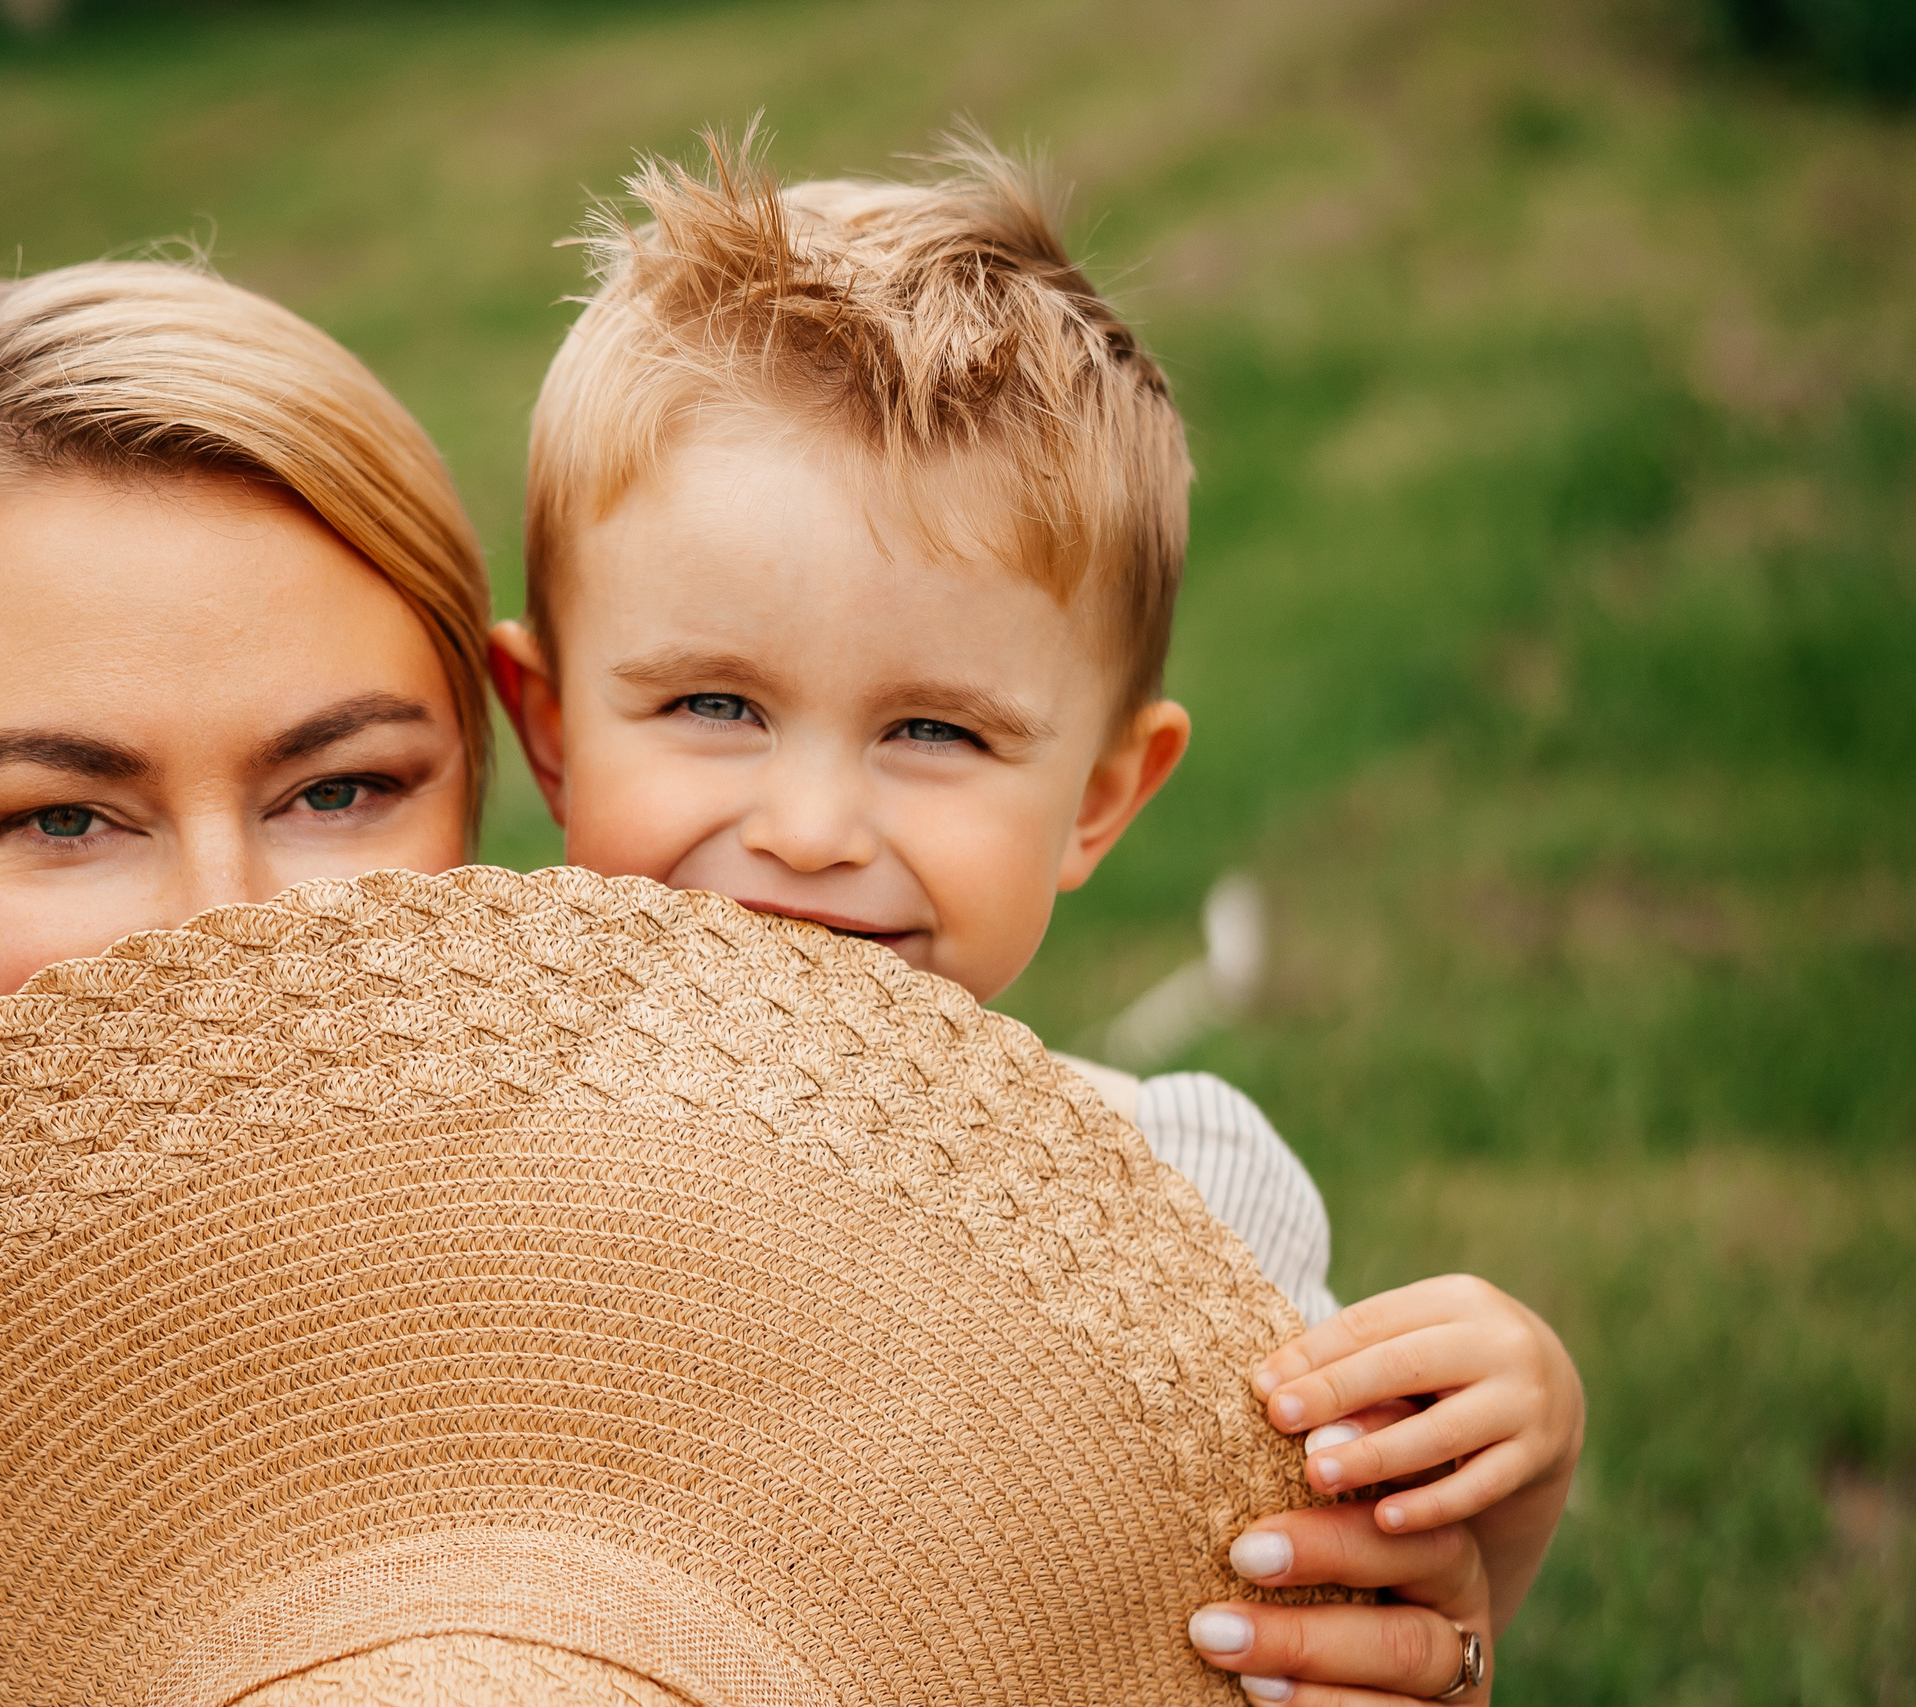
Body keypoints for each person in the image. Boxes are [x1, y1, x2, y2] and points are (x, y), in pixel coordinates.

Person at [0, 252, 1512, 1707]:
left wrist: (1469, 1543)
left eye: (337, 784)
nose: (235, 925)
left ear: (515, 764)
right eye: (63, 813)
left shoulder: (751, 1193)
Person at [487, 132, 1584, 1701]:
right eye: (715, 703)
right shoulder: (437, 1168)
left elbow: (1349, 1636)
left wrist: (1500, 1492)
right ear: (549, 729)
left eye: (935, 731)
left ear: (1099, 800)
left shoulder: (1181, 1204)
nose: (806, 831)